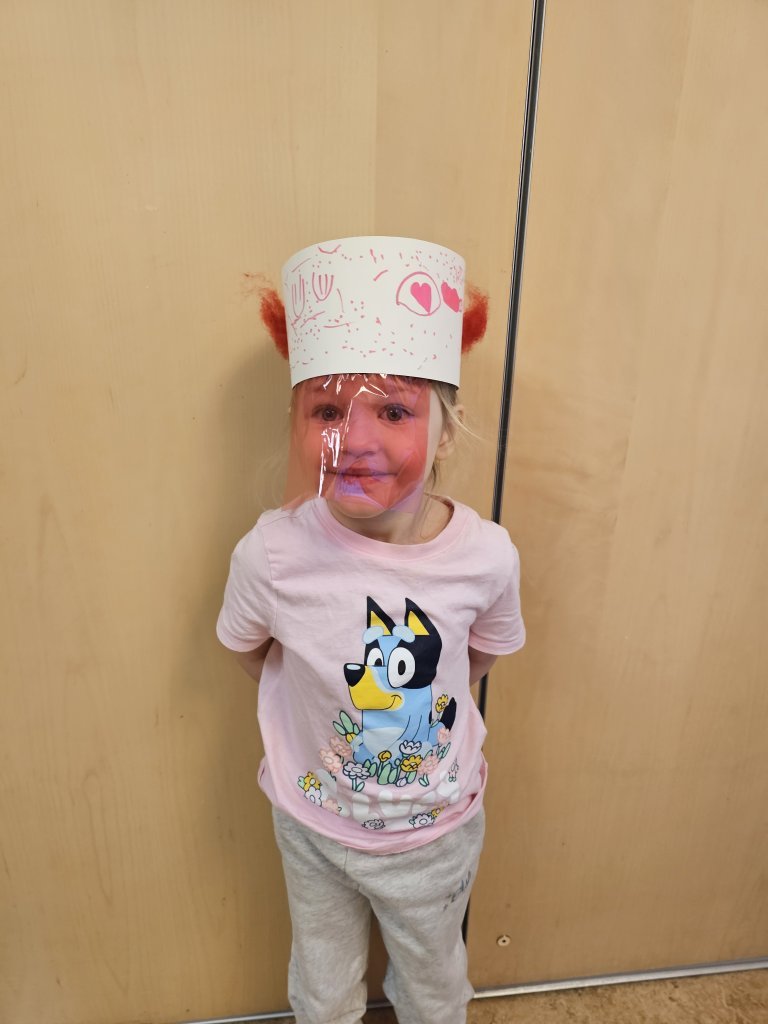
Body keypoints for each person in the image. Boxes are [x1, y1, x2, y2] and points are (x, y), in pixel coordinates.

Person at [216, 236, 525, 1024]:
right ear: (298, 423)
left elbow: (480, 654)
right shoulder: (273, 555)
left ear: (446, 431)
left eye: (392, 411)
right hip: (312, 827)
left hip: (436, 836)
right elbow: (250, 647)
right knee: (322, 991)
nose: (353, 441)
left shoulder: (485, 556)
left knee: (433, 988)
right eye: (327, 411)